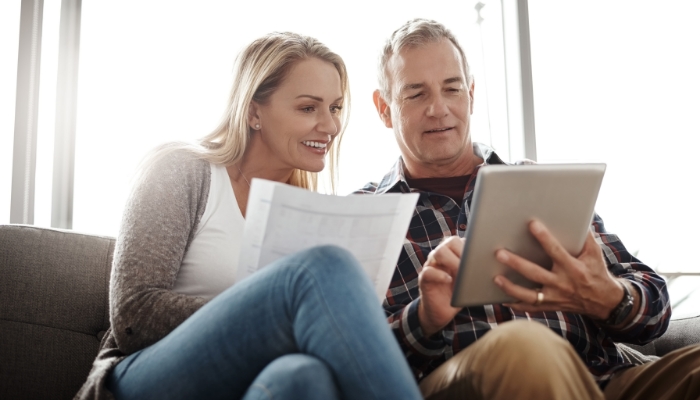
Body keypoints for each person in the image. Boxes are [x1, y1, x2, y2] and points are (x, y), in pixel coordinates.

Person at [359, 18, 700, 400]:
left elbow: (655, 309)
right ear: (384, 107)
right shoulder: (365, 216)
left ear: (470, 92)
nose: (439, 109)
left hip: (604, 379)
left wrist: (607, 295)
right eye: (416, 94)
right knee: (524, 347)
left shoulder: (540, 185)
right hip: (472, 381)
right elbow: (354, 361)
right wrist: (424, 319)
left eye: (452, 88)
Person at [75, 32, 422, 400]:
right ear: (254, 112)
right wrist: (270, 305)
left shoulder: (308, 210)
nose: (331, 126)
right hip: (144, 378)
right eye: (308, 108)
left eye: (335, 108)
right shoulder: (183, 172)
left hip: (251, 384)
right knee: (323, 268)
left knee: (304, 377)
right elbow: (133, 317)